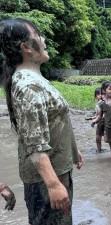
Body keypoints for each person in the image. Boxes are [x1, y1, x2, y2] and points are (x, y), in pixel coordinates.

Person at [0, 18, 83, 224]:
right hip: (46, 179)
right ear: (26, 47)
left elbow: (55, 119)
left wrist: (73, 149)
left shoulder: (34, 79)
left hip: (55, 170)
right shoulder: (28, 86)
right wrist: (53, 185)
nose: (44, 40)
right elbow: (34, 144)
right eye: (38, 36)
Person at [91, 87, 106, 152]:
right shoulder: (98, 104)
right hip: (100, 122)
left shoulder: (103, 103)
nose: (100, 96)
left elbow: (102, 115)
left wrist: (95, 120)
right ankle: (99, 149)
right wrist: (94, 117)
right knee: (98, 138)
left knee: (108, 138)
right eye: (98, 94)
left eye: (101, 94)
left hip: (105, 122)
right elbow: (98, 114)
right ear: (95, 96)